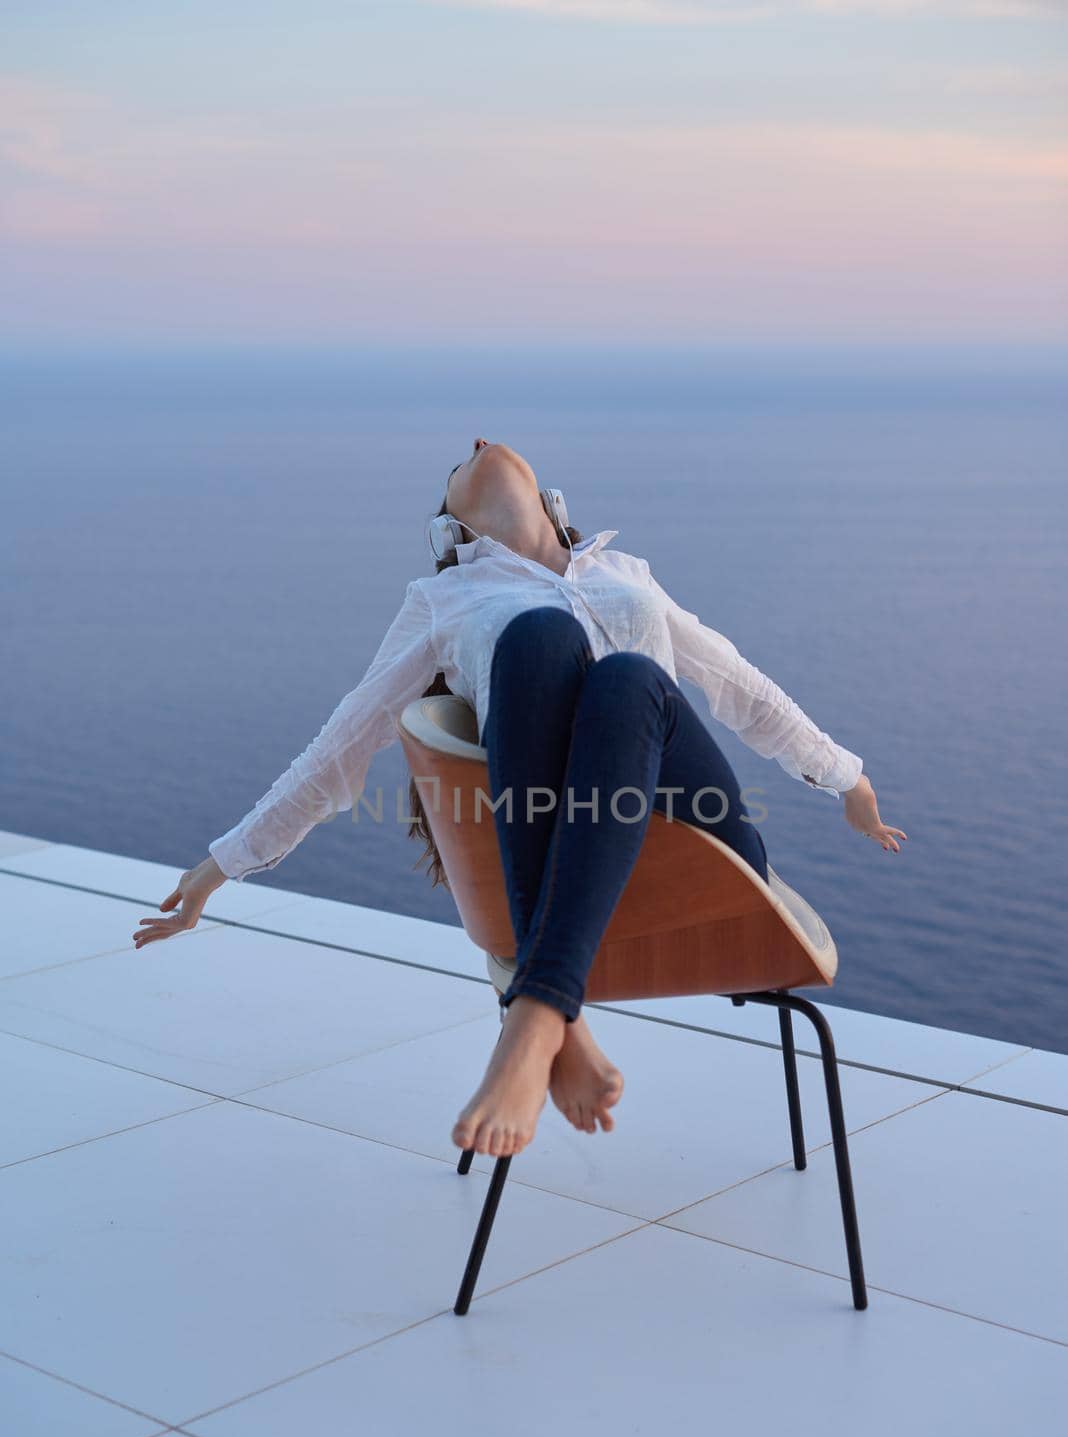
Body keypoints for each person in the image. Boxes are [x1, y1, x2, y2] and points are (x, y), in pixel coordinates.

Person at [133, 439, 906, 1162]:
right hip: (571, 870)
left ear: (551, 500)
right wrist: (217, 869)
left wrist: (847, 778)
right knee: (537, 640)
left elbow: (737, 683)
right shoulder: (447, 600)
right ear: (452, 528)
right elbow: (339, 746)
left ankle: (537, 1015)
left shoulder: (624, 572)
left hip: (698, 858)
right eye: (453, 467)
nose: (476, 442)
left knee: (631, 680)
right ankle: (551, 1013)